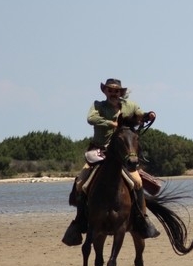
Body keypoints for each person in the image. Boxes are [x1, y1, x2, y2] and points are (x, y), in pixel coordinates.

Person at [61, 78, 160, 246]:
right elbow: (91, 119)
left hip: (123, 154)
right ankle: (79, 222)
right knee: (80, 182)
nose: (113, 93)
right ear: (105, 91)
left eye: (116, 90)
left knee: (137, 181)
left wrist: (148, 115)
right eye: (110, 90)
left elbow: (139, 117)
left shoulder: (131, 106)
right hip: (99, 151)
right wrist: (110, 123)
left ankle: (142, 219)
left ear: (121, 92)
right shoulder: (98, 106)